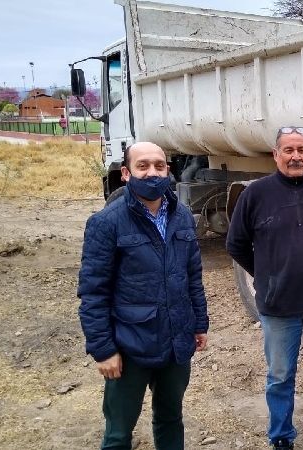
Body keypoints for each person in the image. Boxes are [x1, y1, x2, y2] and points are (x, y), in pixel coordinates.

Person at [226, 126, 303, 450]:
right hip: (278, 308)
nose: (296, 156)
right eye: (289, 150)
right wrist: (266, 275)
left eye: (302, 150)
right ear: (276, 154)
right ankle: (281, 436)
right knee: (280, 376)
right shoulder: (256, 194)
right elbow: (236, 244)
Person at [78, 141, 209, 450]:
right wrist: (103, 350)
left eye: (159, 166)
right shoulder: (106, 223)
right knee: (118, 433)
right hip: (130, 346)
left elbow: (192, 276)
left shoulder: (182, 217)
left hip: (176, 343)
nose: (152, 173)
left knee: (170, 419)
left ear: (168, 170)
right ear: (126, 173)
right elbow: (93, 292)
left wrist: (199, 324)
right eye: (143, 166)